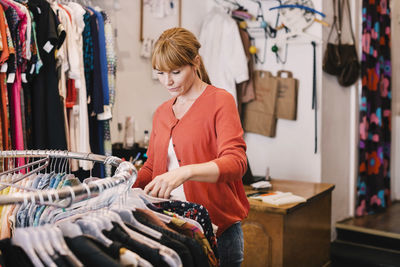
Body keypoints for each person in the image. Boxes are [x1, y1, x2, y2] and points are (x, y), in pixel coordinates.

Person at [133, 27, 249, 267]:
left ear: (195, 61)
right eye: (160, 73)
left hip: (218, 231)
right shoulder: (162, 112)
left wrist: (185, 172)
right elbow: (153, 166)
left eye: (176, 72)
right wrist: (122, 188)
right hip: (173, 227)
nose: (168, 81)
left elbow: (236, 163)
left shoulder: (220, 101)